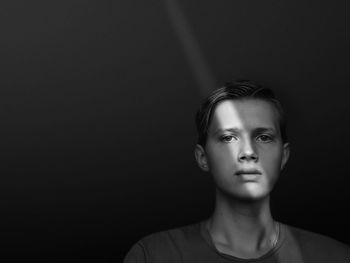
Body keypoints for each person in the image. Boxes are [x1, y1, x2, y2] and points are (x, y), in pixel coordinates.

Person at [123, 80, 350, 262]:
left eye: (263, 137)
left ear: (284, 155)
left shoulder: (335, 256)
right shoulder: (154, 255)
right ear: (203, 158)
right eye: (229, 137)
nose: (248, 152)